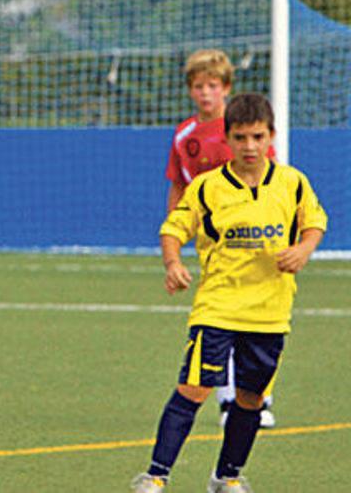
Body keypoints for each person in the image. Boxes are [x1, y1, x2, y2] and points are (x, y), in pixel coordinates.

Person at [132, 93, 327, 493]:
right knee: (194, 389)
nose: (250, 146)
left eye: (258, 137)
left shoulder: (292, 184)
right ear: (228, 138)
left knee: (251, 400)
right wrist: (173, 263)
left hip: (270, 313)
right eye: (240, 138)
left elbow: (315, 222)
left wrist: (304, 249)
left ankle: (227, 477)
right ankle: (155, 476)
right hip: (217, 308)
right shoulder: (207, 188)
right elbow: (173, 228)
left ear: (271, 136)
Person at [164, 50, 278, 429]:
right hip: (214, 244)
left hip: (253, 239)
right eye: (199, 86)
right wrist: (175, 236)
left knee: (255, 319)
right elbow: (179, 186)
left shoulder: (243, 129)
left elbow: (271, 177)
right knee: (220, 319)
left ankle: (254, 395)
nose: (206, 94)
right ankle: (231, 402)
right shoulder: (185, 135)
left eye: (213, 85)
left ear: (226, 87)